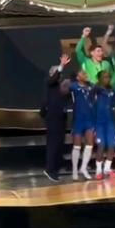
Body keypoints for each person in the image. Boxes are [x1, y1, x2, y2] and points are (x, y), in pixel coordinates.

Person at [41, 53, 71, 182]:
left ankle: (56, 167)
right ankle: (50, 169)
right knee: (53, 144)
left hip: (60, 117)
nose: (60, 76)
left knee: (59, 143)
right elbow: (54, 78)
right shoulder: (49, 82)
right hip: (53, 118)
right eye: (58, 74)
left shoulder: (59, 86)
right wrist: (61, 66)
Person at [93, 70, 115, 179]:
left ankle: (107, 169)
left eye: (108, 77)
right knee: (101, 145)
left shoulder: (112, 91)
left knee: (112, 145)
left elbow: (114, 104)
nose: (107, 79)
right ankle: (98, 170)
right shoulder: (96, 90)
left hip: (110, 122)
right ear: (99, 79)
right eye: (104, 77)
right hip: (99, 123)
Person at [69, 70, 95, 180]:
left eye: (85, 73)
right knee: (77, 146)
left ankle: (83, 168)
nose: (85, 75)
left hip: (89, 119)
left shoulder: (91, 86)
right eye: (82, 74)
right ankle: (74, 170)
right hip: (78, 119)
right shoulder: (73, 86)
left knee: (90, 144)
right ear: (78, 77)